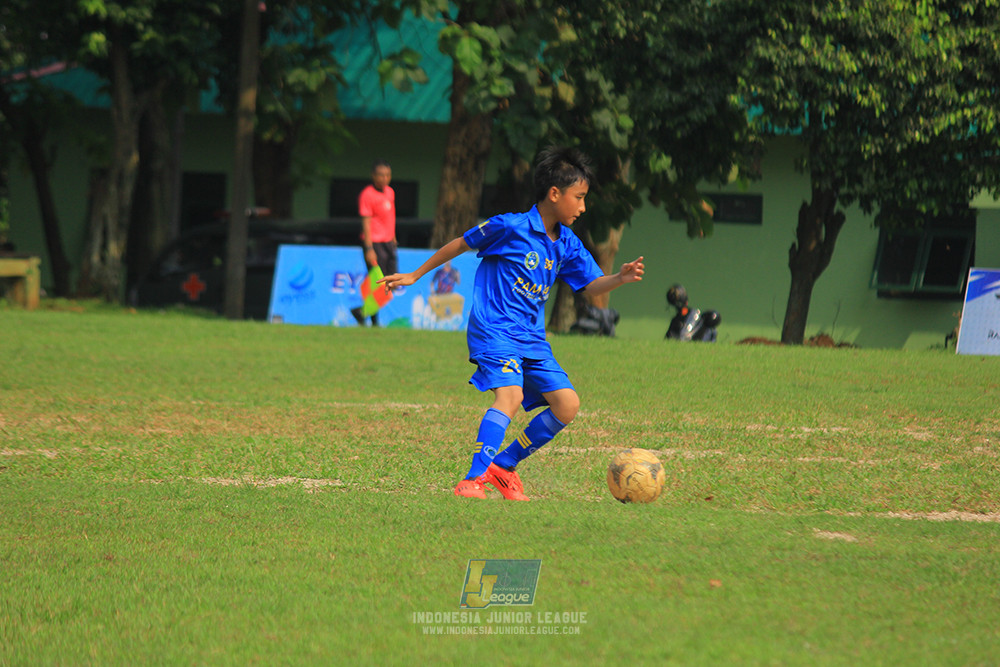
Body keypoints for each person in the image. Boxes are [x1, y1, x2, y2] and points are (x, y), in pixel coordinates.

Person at [379, 147, 645, 501]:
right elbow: (461, 243)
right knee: (511, 395)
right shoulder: (510, 227)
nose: (583, 207)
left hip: (531, 338)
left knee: (567, 405)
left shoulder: (567, 243)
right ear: (555, 194)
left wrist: (619, 279)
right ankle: (473, 479)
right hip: (494, 330)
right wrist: (415, 274)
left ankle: (504, 466)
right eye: (579, 197)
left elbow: (591, 285)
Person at [352, 159, 397, 326]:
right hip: (375, 243)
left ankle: (360, 312)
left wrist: (393, 236)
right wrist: (369, 247)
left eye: (387, 175)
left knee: (393, 282)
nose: (384, 178)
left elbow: (390, 215)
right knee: (378, 283)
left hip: (388, 242)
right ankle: (373, 321)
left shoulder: (390, 192)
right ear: (373, 176)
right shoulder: (367, 195)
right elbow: (366, 222)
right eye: (381, 175)